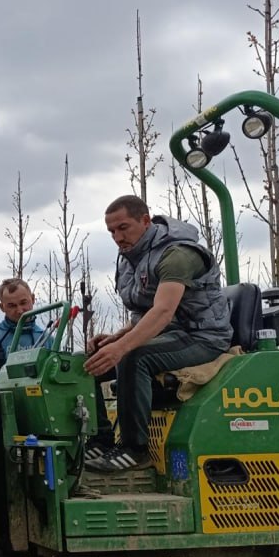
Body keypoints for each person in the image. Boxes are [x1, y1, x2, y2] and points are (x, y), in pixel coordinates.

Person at [83, 194, 232, 472]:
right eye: (112, 231)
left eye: (123, 227)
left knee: (133, 357)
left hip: (202, 337)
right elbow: (146, 312)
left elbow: (164, 311)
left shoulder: (178, 255)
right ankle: (101, 439)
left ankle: (135, 450)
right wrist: (115, 338)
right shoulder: (131, 257)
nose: (117, 236)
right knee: (87, 362)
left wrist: (122, 347)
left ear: (145, 221)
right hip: (171, 334)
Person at [0, 278, 47, 383]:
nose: (20, 310)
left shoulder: (46, 338)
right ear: (2, 307)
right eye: (12, 306)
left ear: (33, 299)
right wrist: (5, 378)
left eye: (23, 303)